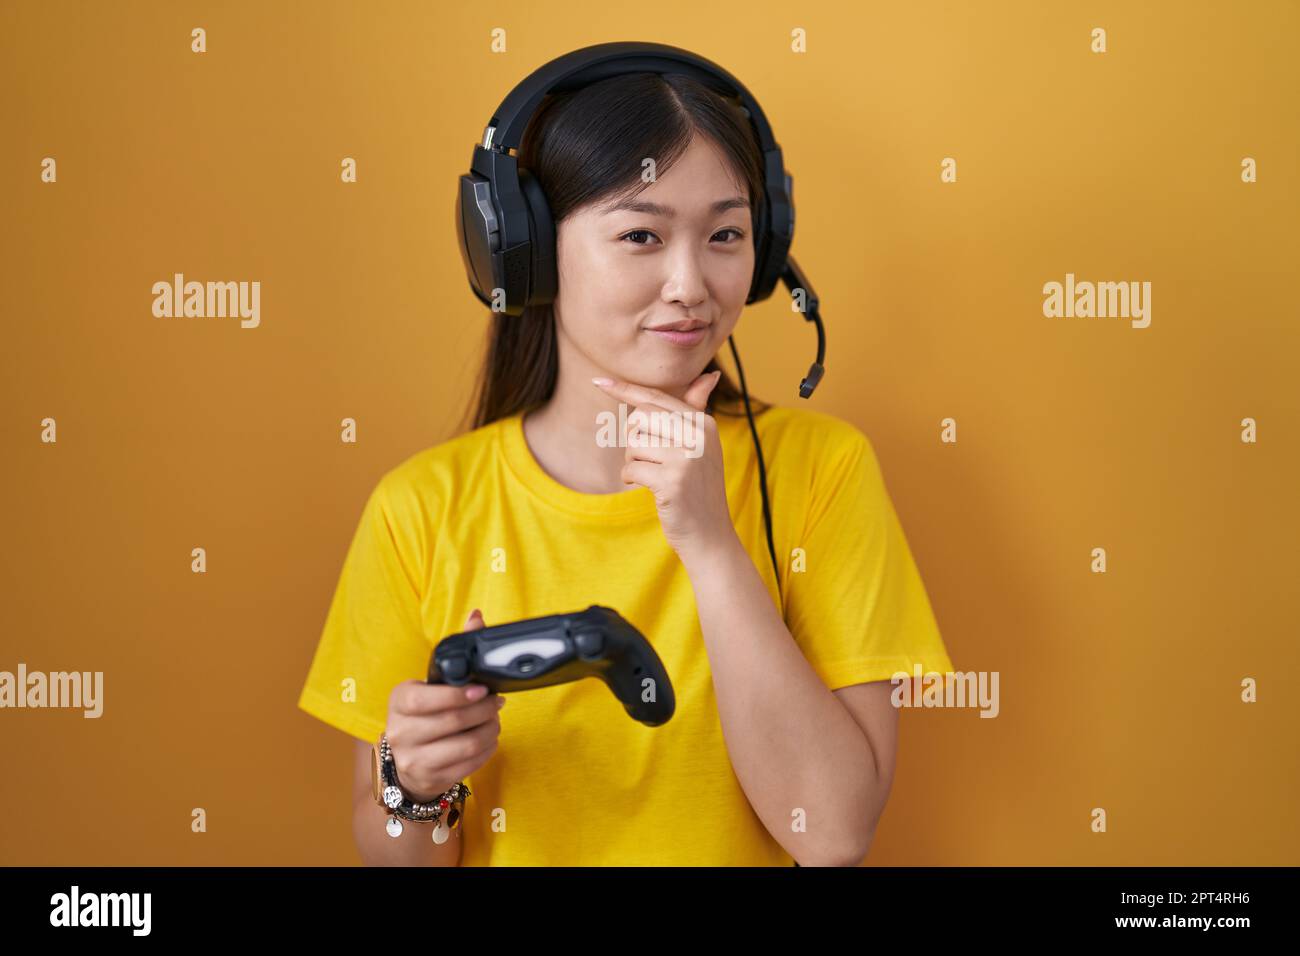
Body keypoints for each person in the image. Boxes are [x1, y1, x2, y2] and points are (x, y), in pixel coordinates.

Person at [297, 69, 954, 866]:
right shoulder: (420, 508)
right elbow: (397, 857)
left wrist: (711, 546)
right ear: (530, 255)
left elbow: (834, 835)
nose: (691, 288)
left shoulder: (823, 471)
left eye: (725, 235)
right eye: (641, 235)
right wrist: (417, 787)